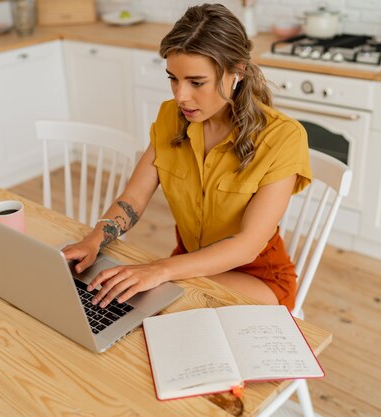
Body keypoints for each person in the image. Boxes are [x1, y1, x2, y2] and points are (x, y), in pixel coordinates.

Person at [62, 3, 311, 311]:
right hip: (186, 265)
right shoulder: (171, 116)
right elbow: (134, 198)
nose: (180, 96)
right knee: (129, 307)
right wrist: (95, 238)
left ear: (238, 71)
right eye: (173, 78)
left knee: (147, 301)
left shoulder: (283, 137)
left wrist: (161, 269)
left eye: (196, 82)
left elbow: (247, 246)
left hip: (256, 277)